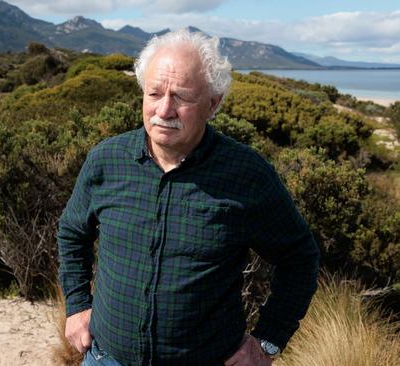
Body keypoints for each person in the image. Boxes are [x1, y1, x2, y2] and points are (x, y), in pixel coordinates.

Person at [57, 29, 320, 366]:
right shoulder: (107, 160)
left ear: (213, 103)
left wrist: (268, 340)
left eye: (181, 97)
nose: (164, 110)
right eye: (154, 93)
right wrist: (78, 304)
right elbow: (72, 231)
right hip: (106, 358)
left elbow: (299, 258)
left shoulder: (247, 175)